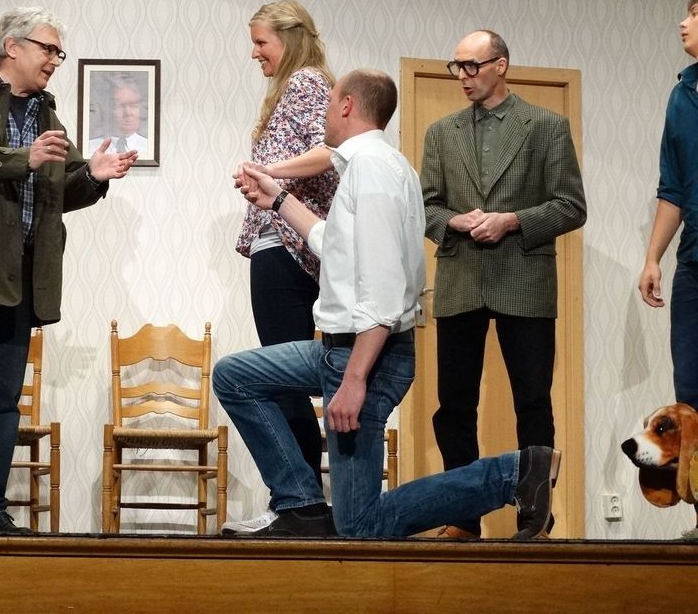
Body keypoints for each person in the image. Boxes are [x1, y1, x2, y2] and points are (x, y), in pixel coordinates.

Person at [213, 68, 561, 539]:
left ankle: (515, 474)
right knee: (234, 376)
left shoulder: (373, 170)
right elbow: (332, 244)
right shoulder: (374, 166)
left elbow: (383, 288)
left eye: (329, 104)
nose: (323, 115)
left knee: (359, 525)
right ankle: (300, 504)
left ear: (347, 106)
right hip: (336, 351)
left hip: (364, 358)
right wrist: (278, 200)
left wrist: (355, 380)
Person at [0, 7, 137, 534]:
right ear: (12, 46)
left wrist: (95, 176)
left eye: (60, 52)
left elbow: (59, 191)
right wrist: (24, 159)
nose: (56, 60)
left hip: (19, 280)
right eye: (49, 48)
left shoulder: (47, 117)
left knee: (2, 402)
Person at [420, 29, 586, 539]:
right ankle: (463, 517)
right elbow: (425, 207)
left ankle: (535, 519)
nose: (463, 76)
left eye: (472, 66)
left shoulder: (547, 126)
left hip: (525, 279)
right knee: (454, 406)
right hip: (460, 280)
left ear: (501, 65)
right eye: (457, 67)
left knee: (532, 403)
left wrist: (511, 220)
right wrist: (455, 221)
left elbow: (571, 206)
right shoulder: (441, 133)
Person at [222, 0, 340, 535]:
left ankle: (299, 504)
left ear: (289, 39)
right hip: (293, 244)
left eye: (261, 42)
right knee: (287, 378)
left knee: (279, 377)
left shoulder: (305, 82)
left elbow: (328, 152)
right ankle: (300, 501)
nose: (255, 53)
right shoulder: (302, 86)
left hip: (286, 244)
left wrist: (265, 171)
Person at [638, 0, 698, 494]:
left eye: (695, 14)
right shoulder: (682, 96)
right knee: (691, 395)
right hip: (694, 264)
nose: (683, 23)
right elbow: (673, 188)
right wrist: (652, 257)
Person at [87, 72, 149, 154]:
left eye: (133, 105)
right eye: (120, 106)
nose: (128, 113)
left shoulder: (148, 148)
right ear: (108, 108)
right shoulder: (91, 148)